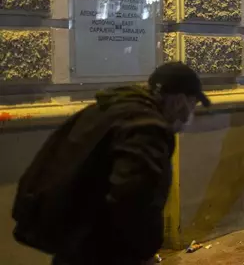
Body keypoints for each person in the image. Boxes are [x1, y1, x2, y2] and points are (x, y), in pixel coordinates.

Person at [12, 62, 210, 265]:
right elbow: (133, 196)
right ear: (178, 100)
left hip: (75, 242)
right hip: (103, 250)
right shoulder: (146, 127)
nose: (190, 114)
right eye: (192, 103)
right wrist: (143, 251)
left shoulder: (110, 109)